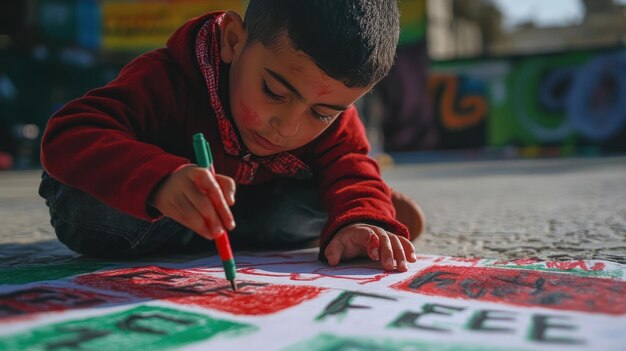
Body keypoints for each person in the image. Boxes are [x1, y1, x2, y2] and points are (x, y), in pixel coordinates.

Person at [39, 0, 426, 272]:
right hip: (150, 222)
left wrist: (361, 218)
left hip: (253, 213)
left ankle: (360, 212)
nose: (288, 128)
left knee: (334, 196)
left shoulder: (335, 113)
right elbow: (70, 131)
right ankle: (345, 205)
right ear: (233, 41)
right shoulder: (166, 78)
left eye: (321, 113)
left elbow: (350, 162)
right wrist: (160, 181)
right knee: (87, 206)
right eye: (274, 92)